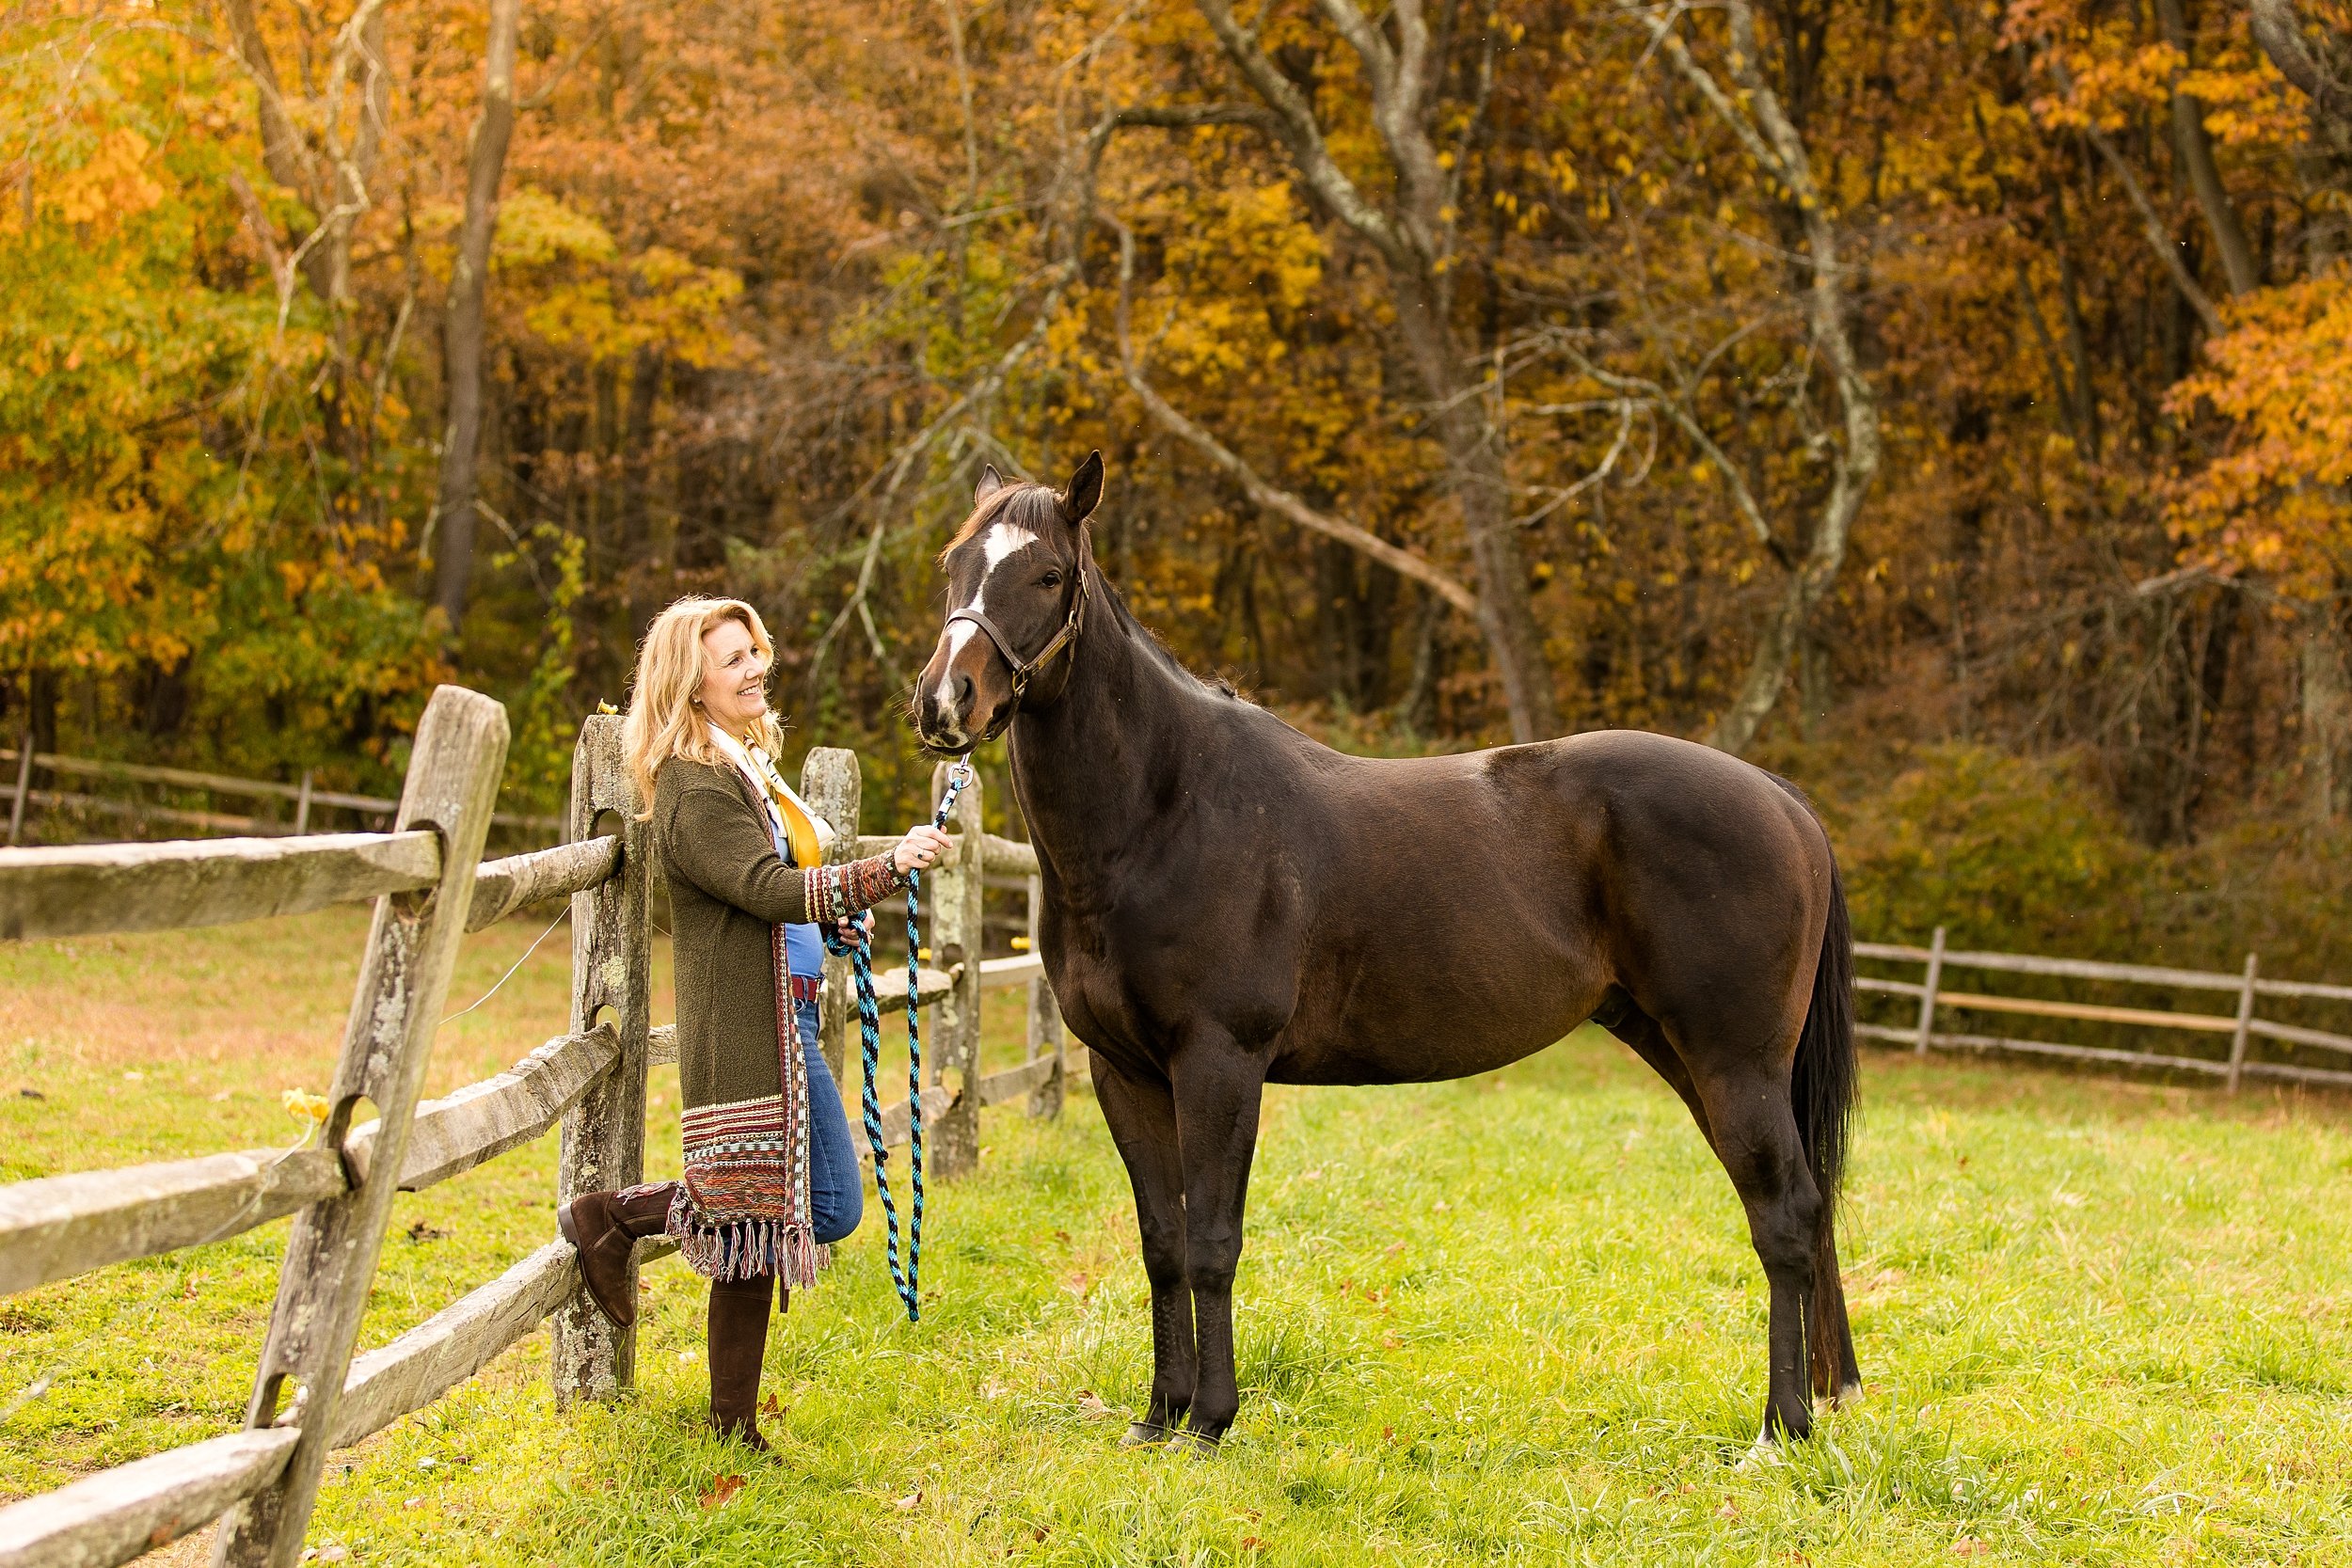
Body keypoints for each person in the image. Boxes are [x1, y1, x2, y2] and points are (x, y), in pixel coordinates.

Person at [557, 594, 951, 1449]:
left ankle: (731, 1424)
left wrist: (834, 922)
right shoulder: (696, 790)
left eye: (755, 651)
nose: (755, 668)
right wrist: (884, 868)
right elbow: (765, 887)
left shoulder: (745, 773)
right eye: (733, 658)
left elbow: (780, 902)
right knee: (813, 1206)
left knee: (759, 1223)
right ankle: (616, 1215)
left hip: (788, 1014)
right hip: (748, 1032)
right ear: (690, 684)